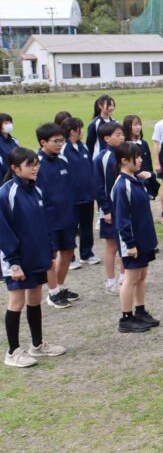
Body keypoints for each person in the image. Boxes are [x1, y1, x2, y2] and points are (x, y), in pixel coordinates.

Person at [1, 147, 66, 368]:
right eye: (30, 165)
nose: (35, 168)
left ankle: (37, 345)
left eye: (36, 164)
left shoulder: (36, 190)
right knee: (16, 302)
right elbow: (4, 231)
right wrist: (14, 263)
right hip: (17, 260)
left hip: (37, 256)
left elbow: (44, 224)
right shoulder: (6, 194)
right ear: (14, 168)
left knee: (35, 299)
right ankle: (12, 352)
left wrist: (50, 252)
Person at [111, 142, 159, 333]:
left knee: (141, 275)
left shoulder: (136, 180)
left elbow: (152, 193)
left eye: (140, 156)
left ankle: (140, 311)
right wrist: (129, 243)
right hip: (132, 240)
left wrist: (151, 178)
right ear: (124, 161)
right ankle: (126, 317)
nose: (140, 160)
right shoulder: (122, 185)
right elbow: (121, 218)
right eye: (136, 157)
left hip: (144, 237)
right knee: (131, 278)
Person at [35, 123, 79, 310]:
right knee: (50, 256)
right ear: (43, 142)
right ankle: (52, 293)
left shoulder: (63, 160)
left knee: (68, 251)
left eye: (62, 140)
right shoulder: (36, 163)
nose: (60, 144)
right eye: (56, 141)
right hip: (48, 218)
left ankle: (59, 287)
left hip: (67, 215)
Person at [61, 118, 99, 266]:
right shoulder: (64, 149)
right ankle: (70, 258)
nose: (82, 131)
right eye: (80, 128)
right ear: (72, 131)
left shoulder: (83, 147)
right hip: (72, 197)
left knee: (86, 225)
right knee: (71, 227)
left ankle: (87, 253)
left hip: (87, 195)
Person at [94, 121, 126, 295]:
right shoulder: (104, 158)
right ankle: (110, 281)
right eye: (118, 135)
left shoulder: (124, 154)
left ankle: (124, 277)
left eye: (122, 134)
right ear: (107, 138)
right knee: (112, 245)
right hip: (110, 209)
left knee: (125, 243)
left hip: (124, 207)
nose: (122, 137)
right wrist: (105, 210)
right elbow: (100, 187)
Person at [123, 114, 160, 199]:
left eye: (139, 124)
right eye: (135, 125)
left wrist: (150, 176)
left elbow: (149, 165)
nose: (138, 127)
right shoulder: (124, 145)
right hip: (131, 185)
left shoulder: (144, 143)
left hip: (144, 184)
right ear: (128, 126)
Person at [86, 94, 117, 158]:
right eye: (109, 105)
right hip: (98, 157)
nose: (111, 108)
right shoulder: (94, 124)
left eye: (112, 105)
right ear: (100, 106)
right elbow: (90, 144)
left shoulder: (116, 122)